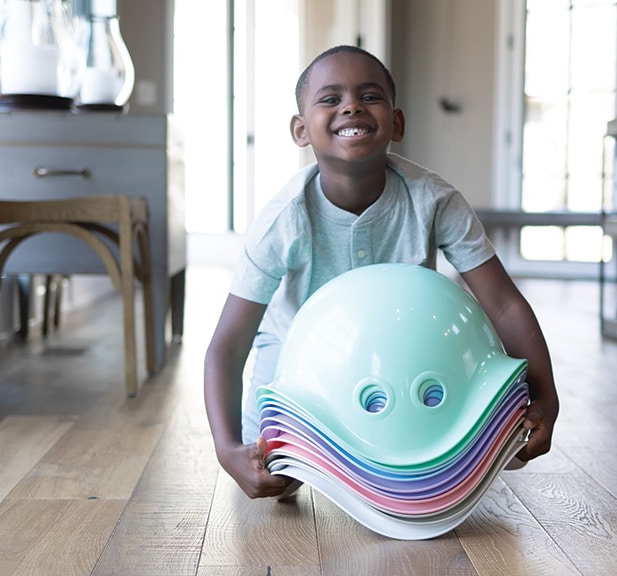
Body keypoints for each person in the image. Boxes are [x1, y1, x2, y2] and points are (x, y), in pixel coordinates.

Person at [204, 45, 559, 499]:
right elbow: (229, 343)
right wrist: (226, 448)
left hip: (405, 361)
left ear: (397, 123)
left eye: (369, 96)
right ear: (300, 130)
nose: (350, 105)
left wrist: (545, 395)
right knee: (278, 475)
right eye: (330, 99)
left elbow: (504, 306)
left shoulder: (435, 200)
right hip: (301, 358)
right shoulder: (282, 220)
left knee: (479, 454)